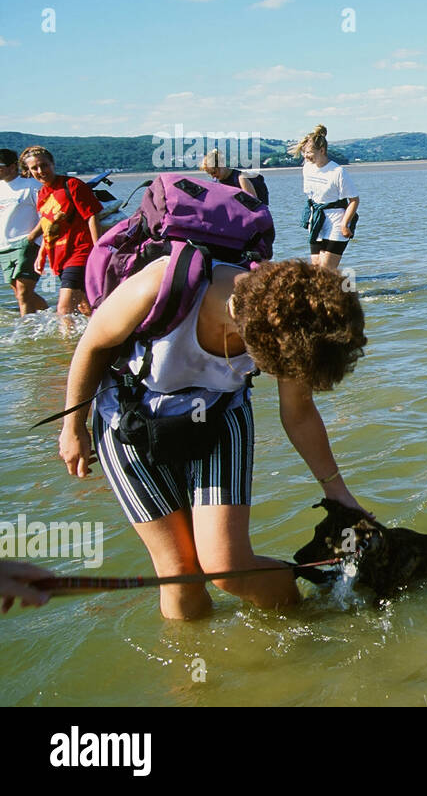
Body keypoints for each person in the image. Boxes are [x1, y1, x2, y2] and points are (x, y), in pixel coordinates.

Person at [57, 258, 369, 619]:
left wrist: (337, 492)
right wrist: (73, 426)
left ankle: (310, 632)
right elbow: (92, 344)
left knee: (228, 567)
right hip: (128, 419)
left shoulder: (292, 325)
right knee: (179, 574)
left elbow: (298, 414)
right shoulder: (160, 286)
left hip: (218, 415)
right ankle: (195, 674)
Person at [24, 146, 102, 325]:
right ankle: (107, 344)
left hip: (80, 252)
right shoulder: (42, 193)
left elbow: (91, 215)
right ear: (29, 171)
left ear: (52, 164)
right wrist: (41, 254)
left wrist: (98, 248)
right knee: (85, 307)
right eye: (34, 168)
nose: (40, 171)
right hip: (60, 256)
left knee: (64, 310)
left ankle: (68, 351)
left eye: (44, 165)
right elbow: (47, 226)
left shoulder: (72, 185)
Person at [292, 125, 359, 270]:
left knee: (326, 269)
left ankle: (337, 292)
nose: (305, 156)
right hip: (317, 219)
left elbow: (354, 200)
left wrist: (345, 224)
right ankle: (330, 290)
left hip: (336, 220)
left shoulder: (338, 171)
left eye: (309, 152)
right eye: (304, 152)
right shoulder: (308, 167)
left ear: (322, 150)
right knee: (316, 265)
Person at [0, 149, 49, 315]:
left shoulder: (32, 186)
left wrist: (32, 237)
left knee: (23, 293)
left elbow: (46, 215)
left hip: (26, 244)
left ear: (13, 166)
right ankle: (50, 315)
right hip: (4, 247)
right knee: (21, 294)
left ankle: (26, 330)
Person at [200, 149, 267, 204]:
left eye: (214, 172)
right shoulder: (216, 182)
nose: (213, 176)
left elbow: (254, 205)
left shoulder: (241, 178)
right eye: (210, 174)